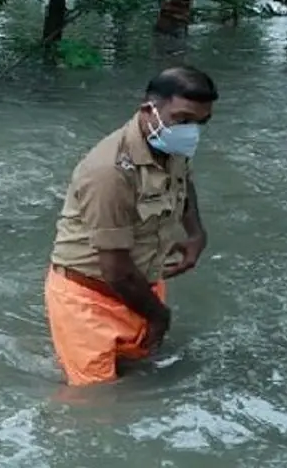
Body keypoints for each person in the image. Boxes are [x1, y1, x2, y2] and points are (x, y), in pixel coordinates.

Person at [44, 66, 217, 387]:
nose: (191, 131)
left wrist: (196, 232)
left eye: (201, 123)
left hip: (142, 286)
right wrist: (159, 315)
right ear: (149, 111)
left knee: (140, 374)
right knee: (96, 401)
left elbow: (184, 181)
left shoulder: (171, 145)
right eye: (183, 119)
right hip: (89, 300)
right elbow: (115, 269)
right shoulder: (108, 171)